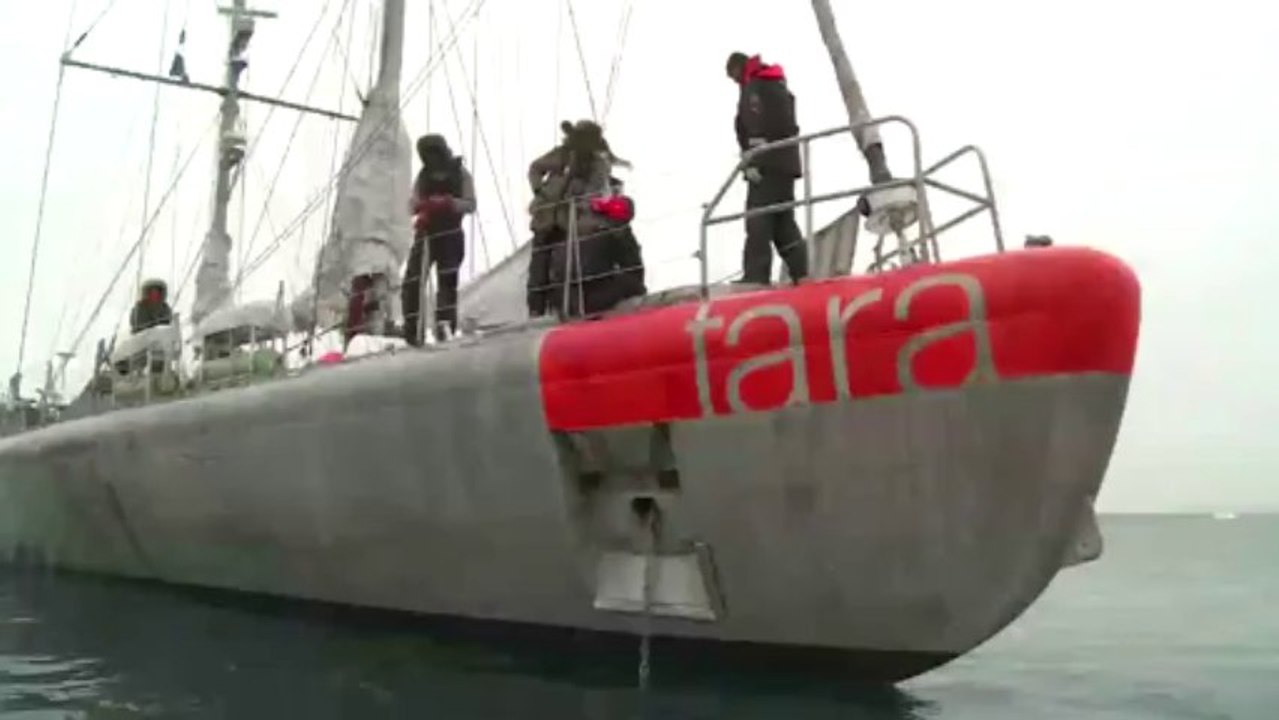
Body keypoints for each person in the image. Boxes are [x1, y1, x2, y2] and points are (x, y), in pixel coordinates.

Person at [525, 121, 645, 319]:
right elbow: (535, 168)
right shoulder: (561, 154)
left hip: (568, 218)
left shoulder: (597, 163)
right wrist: (539, 191)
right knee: (539, 265)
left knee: (561, 261)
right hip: (546, 215)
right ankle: (536, 310)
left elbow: (594, 190)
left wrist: (584, 204)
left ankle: (562, 305)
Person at [725, 51, 808, 286]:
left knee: (758, 218)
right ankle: (801, 273)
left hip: (768, 165)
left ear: (738, 68)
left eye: (732, 76)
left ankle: (756, 276)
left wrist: (756, 156)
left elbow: (760, 125)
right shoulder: (773, 84)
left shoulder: (758, 87)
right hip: (781, 163)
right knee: (782, 222)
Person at [404, 133, 476, 345]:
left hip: (451, 234)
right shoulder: (423, 176)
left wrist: (448, 203)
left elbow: (471, 204)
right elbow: (411, 205)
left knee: (446, 283)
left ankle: (445, 329)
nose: (431, 158)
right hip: (426, 233)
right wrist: (423, 206)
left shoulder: (460, 173)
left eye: (434, 152)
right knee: (412, 282)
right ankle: (412, 332)